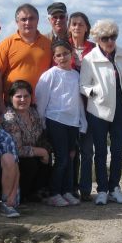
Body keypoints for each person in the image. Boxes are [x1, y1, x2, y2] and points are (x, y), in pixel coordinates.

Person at [79, 20, 122, 206]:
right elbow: (83, 85)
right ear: (97, 39)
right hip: (98, 111)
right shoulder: (89, 58)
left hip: (120, 109)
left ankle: (115, 188)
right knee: (100, 153)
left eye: (113, 37)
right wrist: (95, 92)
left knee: (118, 151)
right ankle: (102, 190)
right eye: (105, 38)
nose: (110, 41)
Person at [35, 41, 88, 207]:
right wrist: (42, 124)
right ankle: (54, 193)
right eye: (58, 55)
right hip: (55, 120)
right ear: (54, 58)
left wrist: (82, 121)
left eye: (65, 53)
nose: (62, 57)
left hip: (72, 122)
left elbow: (78, 101)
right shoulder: (49, 75)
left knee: (71, 157)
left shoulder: (76, 75)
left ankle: (67, 191)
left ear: (71, 54)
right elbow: (41, 102)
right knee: (62, 158)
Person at [0, 4, 52, 113]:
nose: (28, 22)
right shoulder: (6, 44)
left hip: (42, 105)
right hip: (12, 106)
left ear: (37, 20)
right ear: (17, 22)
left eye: (31, 18)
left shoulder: (48, 44)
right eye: (23, 19)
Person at [1, 80, 52, 202]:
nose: (23, 99)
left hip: (32, 152)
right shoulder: (9, 118)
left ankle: (39, 190)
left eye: (26, 96)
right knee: (30, 164)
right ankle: (22, 195)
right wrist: (42, 152)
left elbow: (40, 137)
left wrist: (46, 150)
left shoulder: (33, 112)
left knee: (49, 157)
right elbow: (17, 150)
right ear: (11, 98)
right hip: (13, 159)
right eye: (18, 96)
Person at [67, 11, 96, 200]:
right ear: (69, 27)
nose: (77, 27)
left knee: (87, 151)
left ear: (87, 28)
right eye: (74, 24)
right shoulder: (63, 47)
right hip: (69, 107)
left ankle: (85, 189)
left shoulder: (94, 48)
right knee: (71, 151)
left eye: (81, 24)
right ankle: (70, 188)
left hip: (90, 106)